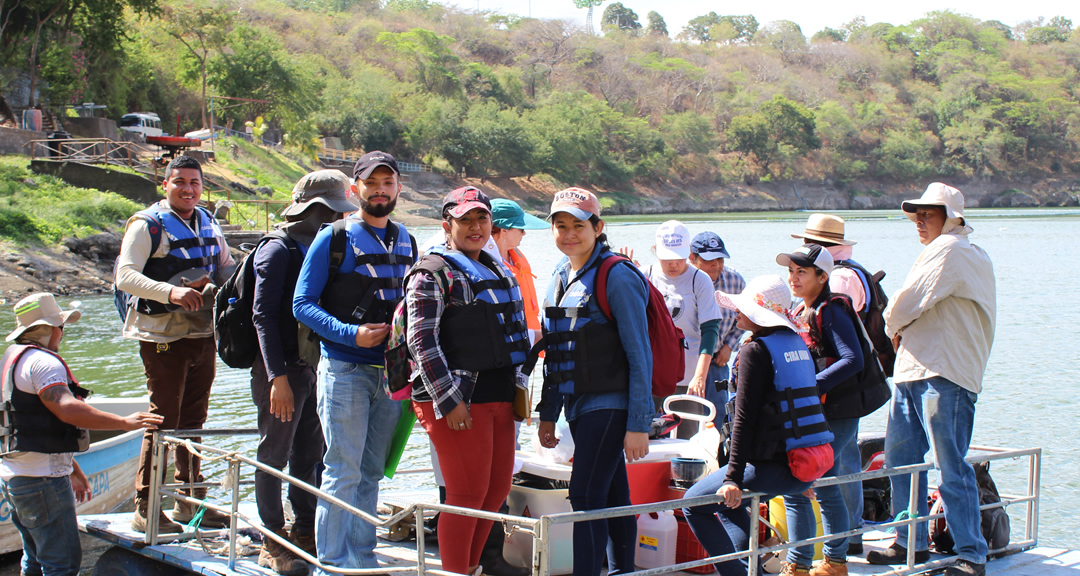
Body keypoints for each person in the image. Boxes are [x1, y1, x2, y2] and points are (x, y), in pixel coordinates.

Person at [292, 151, 415, 575]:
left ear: (398, 189)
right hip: (345, 369)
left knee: (371, 471)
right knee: (341, 469)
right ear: (355, 189)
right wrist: (351, 334)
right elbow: (302, 305)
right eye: (371, 183)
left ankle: (363, 557)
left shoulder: (406, 240)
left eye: (388, 182)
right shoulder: (335, 238)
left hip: (391, 374)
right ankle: (332, 564)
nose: (380, 190)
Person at [869, 183, 996, 576]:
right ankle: (911, 542)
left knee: (947, 465)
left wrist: (890, 325)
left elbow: (906, 303)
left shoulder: (951, 249)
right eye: (917, 215)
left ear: (951, 217)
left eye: (929, 214)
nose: (920, 222)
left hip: (943, 371)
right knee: (904, 461)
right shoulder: (958, 251)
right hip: (921, 368)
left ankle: (971, 553)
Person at [406, 187, 530, 576]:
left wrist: (521, 393)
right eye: (465, 220)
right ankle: (456, 572)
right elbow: (420, 340)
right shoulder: (431, 272)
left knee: (493, 494)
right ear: (447, 226)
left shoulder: (500, 270)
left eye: (482, 219)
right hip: (459, 399)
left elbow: (518, 333)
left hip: (499, 397)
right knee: (464, 495)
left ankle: (472, 568)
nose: (476, 227)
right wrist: (448, 401)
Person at [1, 293, 163, 576]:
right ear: (51, 329)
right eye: (60, 327)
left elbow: (27, 423)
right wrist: (124, 422)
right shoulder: (44, 363)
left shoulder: (11, 359)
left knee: (35, 558)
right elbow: (66, 408)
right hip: (42, 481)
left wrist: (72, 468)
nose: (62, 334)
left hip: (14, 476)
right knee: (61, 564)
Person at [115, 155, 235, 533]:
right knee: (162, 418)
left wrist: (244, 281)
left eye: (194, 183)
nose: (187, 189)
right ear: (164, 184)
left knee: (194, 419)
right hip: (163, 336)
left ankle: (190, 501)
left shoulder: (209, 221)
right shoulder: (147, 225)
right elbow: (125, 276)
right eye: (179, 182)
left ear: (202, 187)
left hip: (203, 333)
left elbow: (226, 265)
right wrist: (170, 292)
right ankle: (146, 506)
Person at [536, 187, 653, 576]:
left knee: (585, 497)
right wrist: (548, 414)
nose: (569, 234)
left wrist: (638, 425)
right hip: (578, 408)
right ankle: (625, 571)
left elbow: (640, 354)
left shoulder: (616, 276)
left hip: (611, 405)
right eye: (560, 225)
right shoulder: (558, 275)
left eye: (578, 225)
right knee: (614, 495)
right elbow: (556, 350)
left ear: (598, 228)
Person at [681, 275, 832, 576]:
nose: (735, 311)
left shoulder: (754, 351)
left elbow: (745, 419)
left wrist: (732, 478)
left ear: (760, 314)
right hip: (803, 467)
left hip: (773, 466)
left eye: (743, 307)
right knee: (731, 508)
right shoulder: (797, 343)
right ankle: (753, 572)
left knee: (694, 504)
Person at [250, 170, 355, 574]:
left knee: (311, 452)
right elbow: (261, 316)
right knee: (273, 451)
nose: (337, 220)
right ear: (313, 210)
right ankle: (272, 537)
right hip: (278, 369)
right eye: (331, 212)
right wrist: (277, 378)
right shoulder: (277, 250)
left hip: (310, 366)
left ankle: (305, 528)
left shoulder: (319, 247)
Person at [777, 244, 867, 576]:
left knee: (812, 481)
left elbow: (853, 359)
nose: (793, 278)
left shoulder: (830, 311)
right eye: (791, 271)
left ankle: (819, 563)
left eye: (802, 272)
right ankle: (822, 562)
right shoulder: (805, 309)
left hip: (838, 412)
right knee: (816, 482)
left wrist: (812, 387)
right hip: (822, 411)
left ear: (822, 276)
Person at [646, 220, 722, 438]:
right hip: (652, 374)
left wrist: (700, 376)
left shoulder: (700, 280)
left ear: (689, 253)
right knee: (647, 438)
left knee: (684, 440)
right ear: (655, 251)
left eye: (679, 258)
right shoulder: (645, 275)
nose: (673, 264)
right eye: (667, 258)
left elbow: (710, 330)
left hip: (687, 376)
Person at [688, 231, 746, 414]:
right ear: (692, 258)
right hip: (685, 363)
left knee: (718, 416)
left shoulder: (735, 281)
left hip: (716, 362)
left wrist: (729, 345)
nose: (716, 265)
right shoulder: (682, 280)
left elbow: (746, 317)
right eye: (709, 260)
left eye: (720, 259)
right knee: (683, 418)